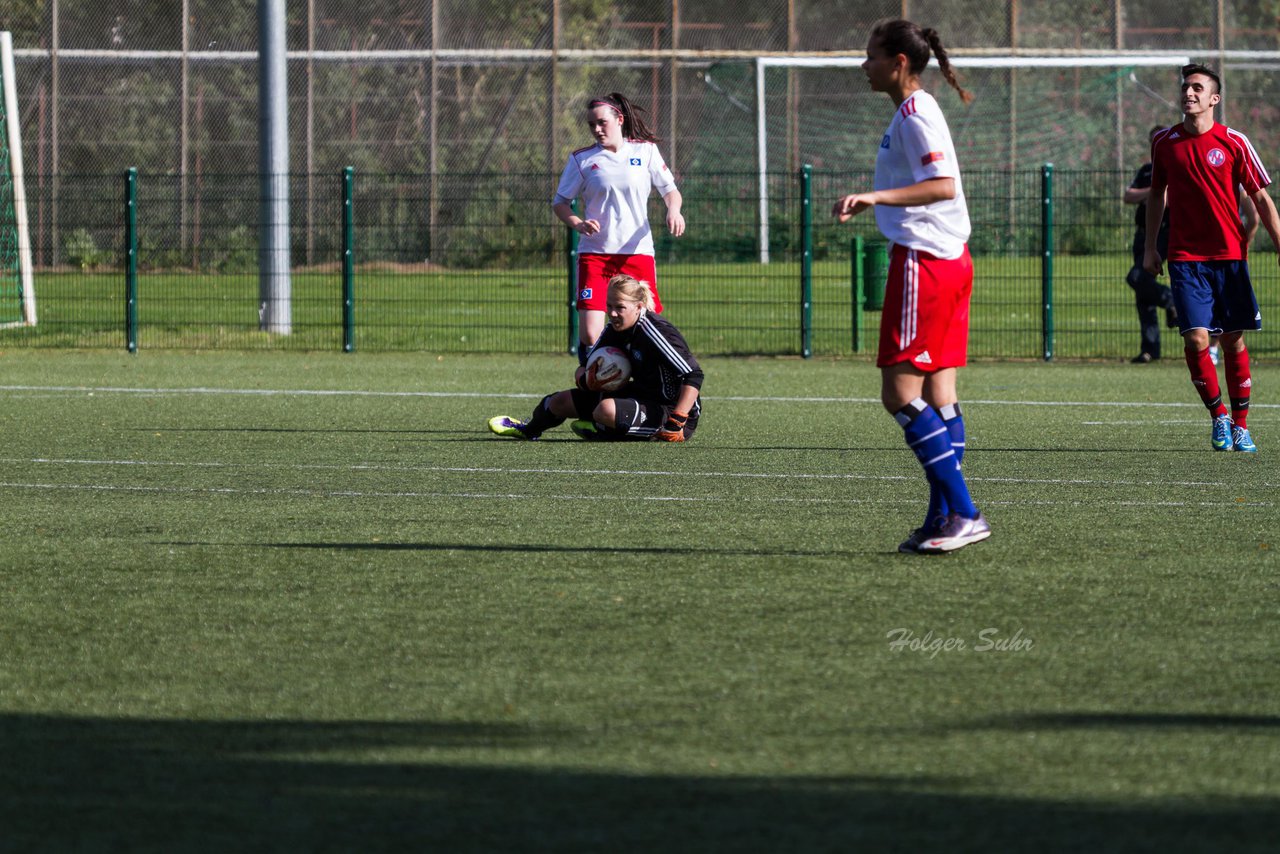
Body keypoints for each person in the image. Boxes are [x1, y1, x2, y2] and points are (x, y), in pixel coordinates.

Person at [831, 18, 989, 554]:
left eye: (872, 55)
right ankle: (943, 517)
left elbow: (943, 185)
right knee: (939, 393)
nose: (864, 64)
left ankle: (965, 512)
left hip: (925, 263)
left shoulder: (916, 113)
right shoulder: (915, 111)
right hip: (951, 260)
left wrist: (874, 198)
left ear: (899, 62)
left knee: (899, 394)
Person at [1143, 63, 1280, 453]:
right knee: (1196, 337)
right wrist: (1152, 247)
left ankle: (1241, 424)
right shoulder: (1165, 143)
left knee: (1233, 340)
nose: (1189, 93)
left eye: (1197, 88)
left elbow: (1261, 199)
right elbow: (1156, 195)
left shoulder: (1235, 142)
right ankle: (1218, 414)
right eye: (1186, 87)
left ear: (1214, 98)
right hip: (1185, 258)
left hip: (1229, 258)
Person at [552, 93, 685, 366]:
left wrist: (673, 210)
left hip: (637, 253)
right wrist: (578, 223)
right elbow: (560, 203)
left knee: (648, 326)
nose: (597, 129)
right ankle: (594, 382)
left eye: (602, 122)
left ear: (619, 120)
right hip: (596, 255)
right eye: (592, 125)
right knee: (591, 334)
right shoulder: (583, 159)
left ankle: (646, 383)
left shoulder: (645, 151)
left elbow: (670, 190)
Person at [487, 274, 703, 442]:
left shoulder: (654, 331)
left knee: (605, 410)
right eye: (609, 306)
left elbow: (693, 375)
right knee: (559, 401)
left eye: (620, 307)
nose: (613, 313)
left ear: (639, 307)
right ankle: (528, 430)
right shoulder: (614, 329)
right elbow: (583, 367)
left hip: (671, 409)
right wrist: (586, 380)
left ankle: (602, 430)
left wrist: (677, 421)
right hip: (639, 395)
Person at [1123, 126, 1176, 363]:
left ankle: (1172, 300)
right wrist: (1151, 192)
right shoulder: (1146, 171)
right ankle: (1150, 349)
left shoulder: (1175, 168)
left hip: (1163, 235)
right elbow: (1128, 196)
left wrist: (1152, 194)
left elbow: (1165, 201)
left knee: (1136, 278)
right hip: (1142, 235)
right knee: (1142, 292)